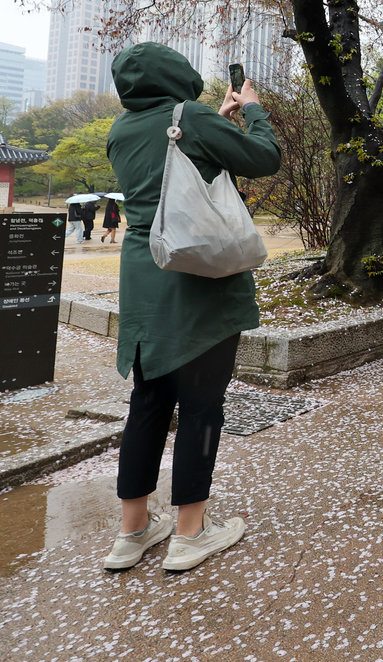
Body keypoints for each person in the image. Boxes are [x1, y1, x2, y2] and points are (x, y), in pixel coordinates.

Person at [101, 43, 280, 573]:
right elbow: (263, 159)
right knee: (201, 404)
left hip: (142, 276)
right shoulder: (192, 118)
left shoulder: (120, 130)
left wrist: (212, 123)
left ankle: (132, 532)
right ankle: (189, 532)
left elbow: (173, 166)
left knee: (149, 399)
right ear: (177, 74)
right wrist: (252, 109)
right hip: (195, 277)